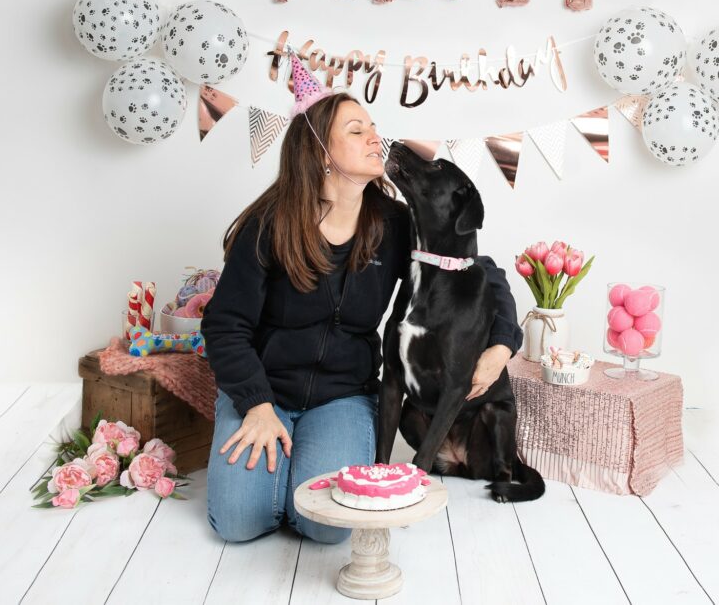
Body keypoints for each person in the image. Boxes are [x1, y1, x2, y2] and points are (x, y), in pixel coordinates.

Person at [203, 54, 523, 545]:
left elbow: (479, 272)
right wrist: (255, 404)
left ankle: (305, 460)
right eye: (356, 130)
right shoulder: (268, 225)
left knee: (327, 527)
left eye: (373, 126)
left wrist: (501, 345)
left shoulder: (393, 223)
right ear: (320, 152)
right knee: (240, 522)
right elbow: (225, 325)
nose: (375, 137)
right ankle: (275, 461)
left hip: (343, 397)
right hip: (262, 392)